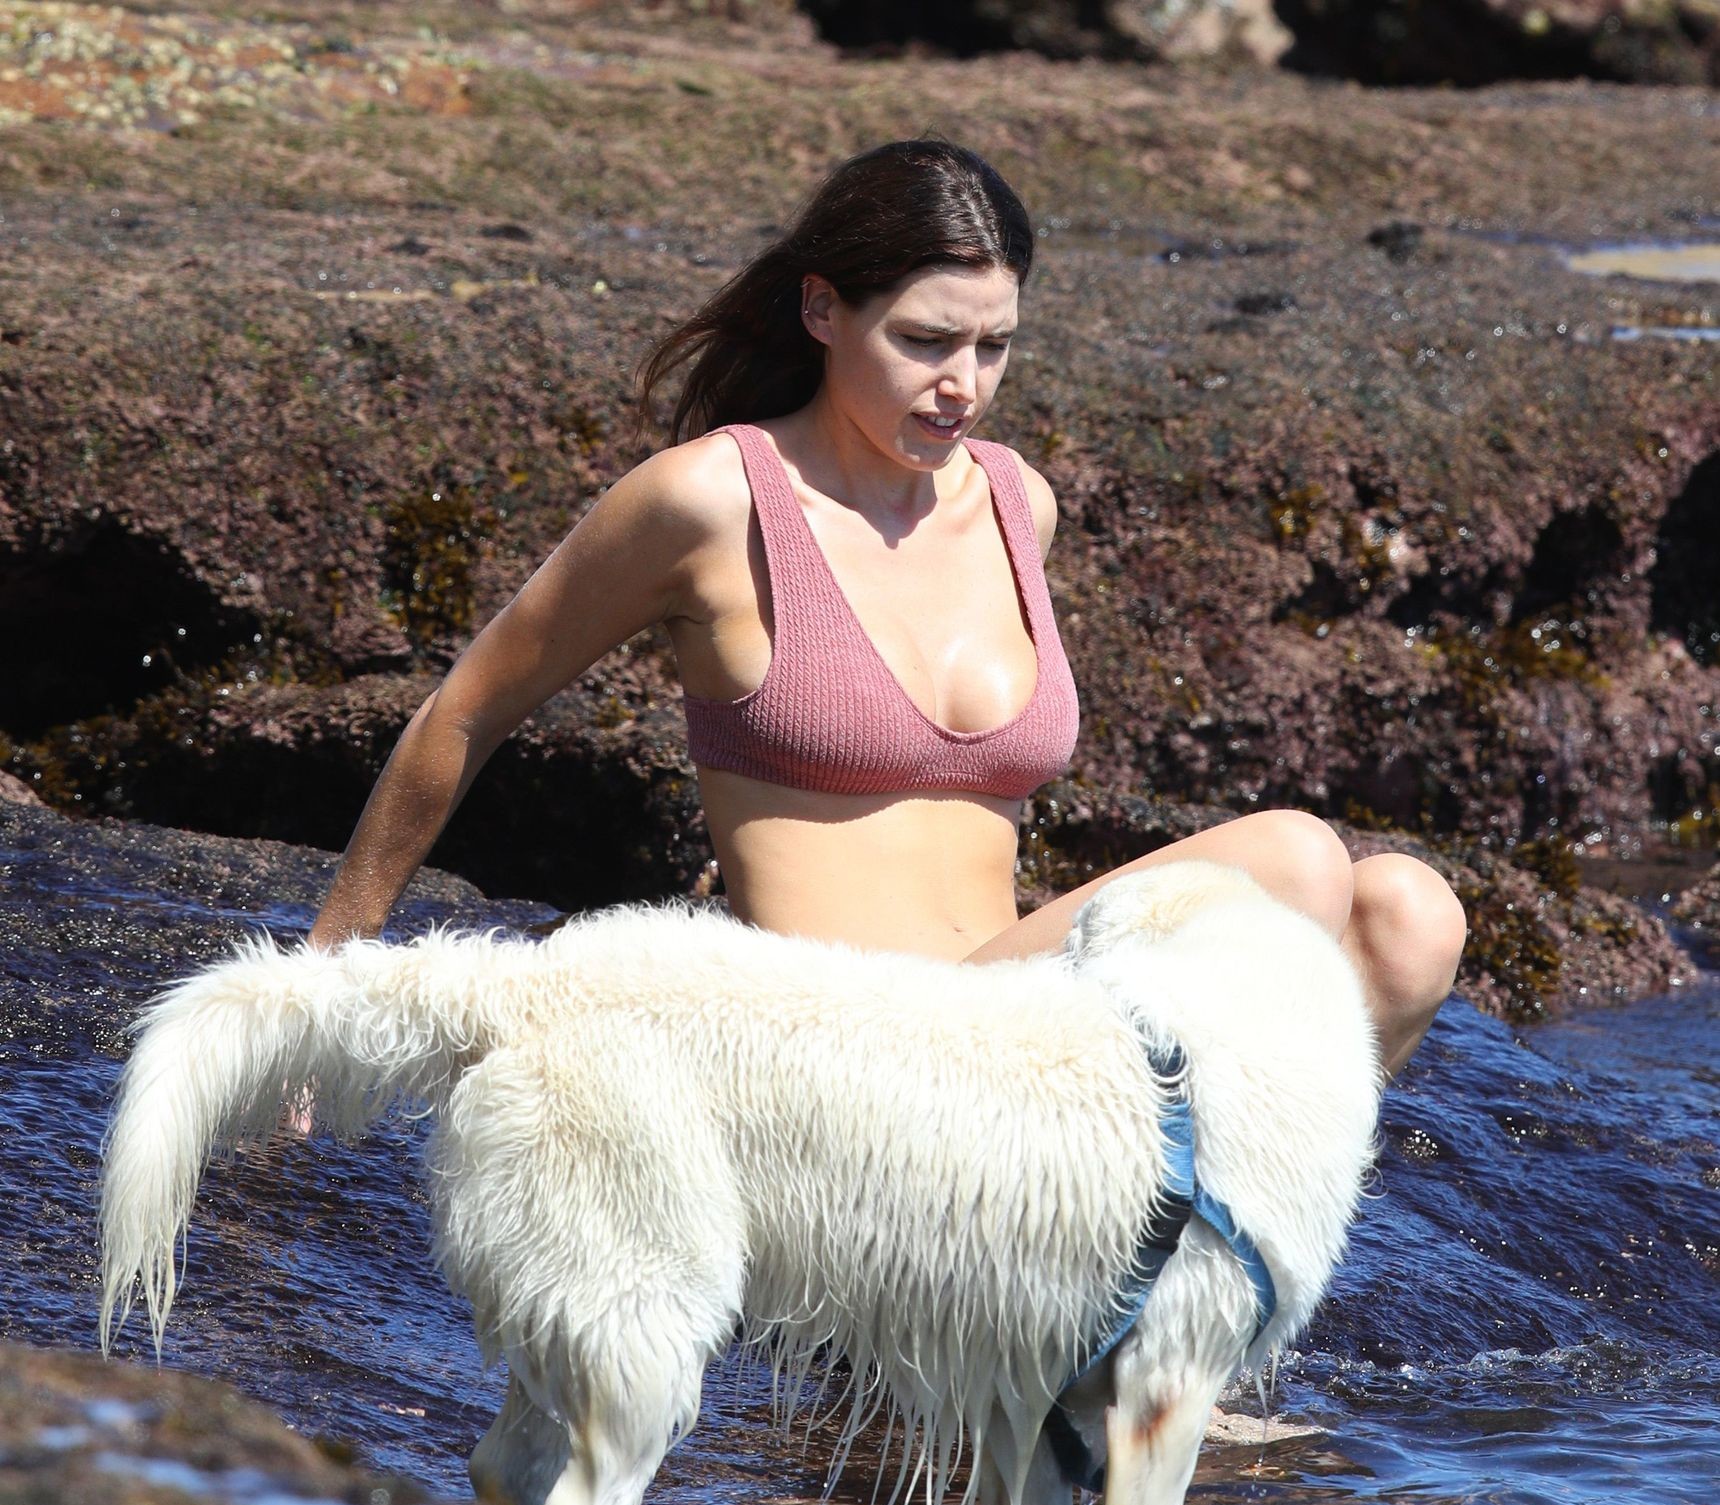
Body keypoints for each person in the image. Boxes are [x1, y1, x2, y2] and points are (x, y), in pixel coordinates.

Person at [306, 136, 1466, 1078]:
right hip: (849, 1045)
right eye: (924, 340)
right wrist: (319, 995)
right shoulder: (710, 500)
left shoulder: (1018, 505)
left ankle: (1212, 1255)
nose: (963, 385)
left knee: (1410, 916)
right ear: (822, 310)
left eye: (994, 347)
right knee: (1294, 857)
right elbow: (466, 713)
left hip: (1008, 1021)